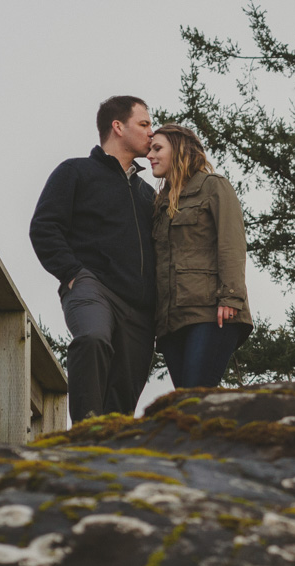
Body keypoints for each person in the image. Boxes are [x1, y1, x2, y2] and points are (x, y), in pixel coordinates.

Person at [30, 96, 157, 423]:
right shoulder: (76, 171)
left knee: (121, 401)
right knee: (92, 339)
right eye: (144, 124)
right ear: (118, 126)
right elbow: (45, 227)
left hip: (139, 312)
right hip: (91, 287)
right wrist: (73, 273)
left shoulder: (148, 195)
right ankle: (84, 433)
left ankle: (107, 459)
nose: (151, 133)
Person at [147, 125, 252, 389]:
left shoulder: (213, 186)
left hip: (211, 313)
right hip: (171, 323)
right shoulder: (159, 203)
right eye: (150, 149)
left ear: (179, 148)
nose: (149, 155)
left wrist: (230, 296)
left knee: (196, 394)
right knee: (186, 405)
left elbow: (232, 243)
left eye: (157, 148)